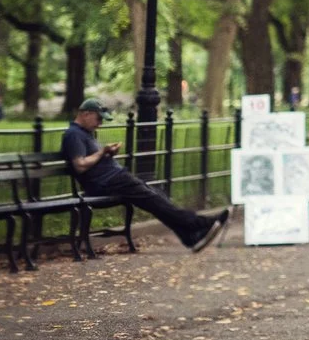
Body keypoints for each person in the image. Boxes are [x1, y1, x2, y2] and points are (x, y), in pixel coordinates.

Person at [60, 97, 228, 251]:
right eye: (99, 119)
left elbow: (92, 160)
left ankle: (189, 236)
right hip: (105, 183)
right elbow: (80, 165)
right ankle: (199, 223)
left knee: (156, 195)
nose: (100, 124)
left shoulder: (85, 133)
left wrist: (107, 153)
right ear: (85, 114)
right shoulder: (73, 135)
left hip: (114, 179)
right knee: (153, 198)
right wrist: (102, 152)